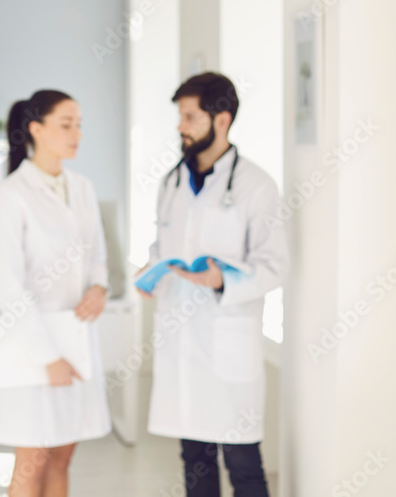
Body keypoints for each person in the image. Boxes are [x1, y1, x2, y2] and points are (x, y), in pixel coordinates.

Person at [139, 72, 288, 497]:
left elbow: (275, 265)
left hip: (227, 343)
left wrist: (222, 278)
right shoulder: (171, 182)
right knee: (195, 463)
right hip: (182, 342)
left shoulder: (256, 186)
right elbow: (161, 242)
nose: (180, 126)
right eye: (180, 117)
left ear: (220, 119)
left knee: (243, 465)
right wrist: (151, 273)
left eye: (189, 117)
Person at [0, 90, 112, 497]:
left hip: (76, 340)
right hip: (34, 347)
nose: (76, 133)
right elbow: (9, 287)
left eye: (79, 124)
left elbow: (97, 255)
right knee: (32, 461)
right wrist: (49, 357)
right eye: (66, 124)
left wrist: (99, 287)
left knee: (62, 456)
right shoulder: (12, 194)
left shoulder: (82, 187)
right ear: (36, 130)